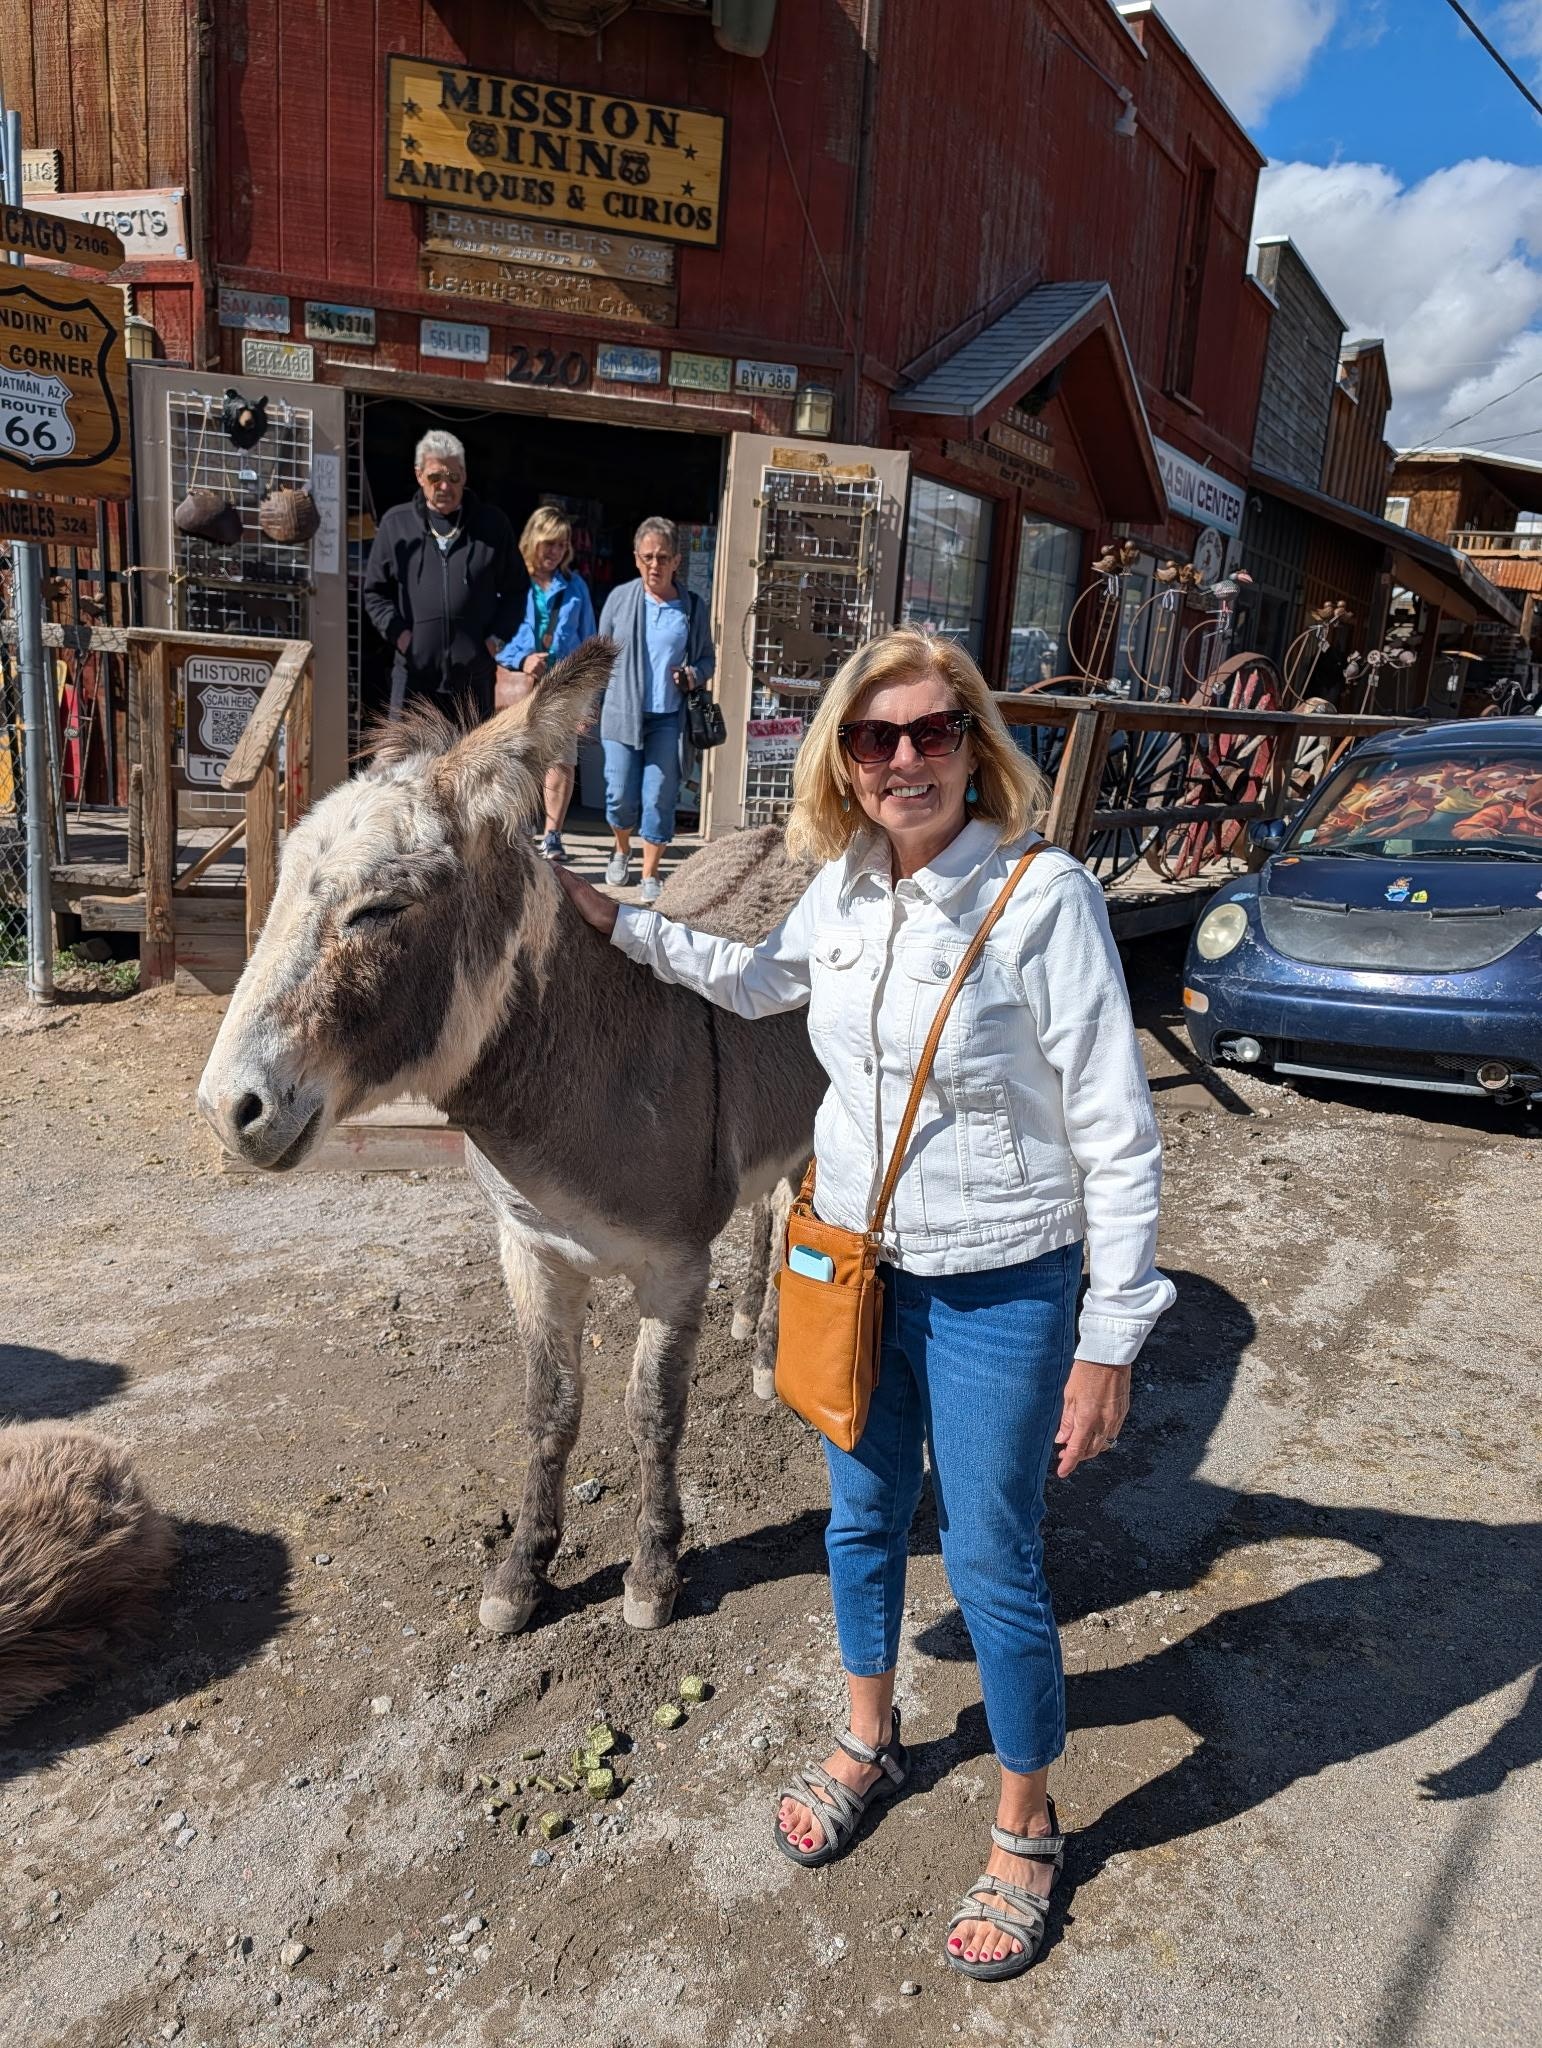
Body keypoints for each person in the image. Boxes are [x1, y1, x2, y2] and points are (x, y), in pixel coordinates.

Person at [557, 626, 1173, 1982]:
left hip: (1002, 1278)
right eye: (875, 736)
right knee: (857, 1517)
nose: (905, 759)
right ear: (843, 756)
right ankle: (870, 1732)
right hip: (850, 1263)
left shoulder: (1038, 897)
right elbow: (759, 981)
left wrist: (1109, 1333)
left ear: (972, 745)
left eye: (932, 731)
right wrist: (623, 923)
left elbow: (1119, 1133)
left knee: (995, 1557)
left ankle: (1025, 1820)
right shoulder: (838, 893)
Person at [595, 516, 715, 904]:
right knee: (619, 796)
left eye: (663, 557)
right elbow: (599, 656)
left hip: (669, 719)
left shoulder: (692, 607)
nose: (655, 565)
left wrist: (693, 674)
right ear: (635, 558)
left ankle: (650, 873)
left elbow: (707, 660)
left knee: (659, 795)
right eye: (647, 556)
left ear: (677, 560)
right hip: (621, 713)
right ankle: (622, 847)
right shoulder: (619, 599)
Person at [363, 430, 521, 722]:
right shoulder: (396, 525)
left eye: (454, 477)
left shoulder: (493, 526)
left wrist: (495, 641)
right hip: (414, 682)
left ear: (465, 474)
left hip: (473, 683)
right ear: (419, 475)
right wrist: (401, 636)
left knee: (471, 767)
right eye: (436, 477)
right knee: (410, 767)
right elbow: (375, 592)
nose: (445, 486)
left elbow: (516, 590)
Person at [494, 506, 598, 860]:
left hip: (562, 686)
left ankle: (552, 835)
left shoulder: (575, 586)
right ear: (533, 540)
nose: (555, 551)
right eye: (548, 543)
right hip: (520, 685)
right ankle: (518, 831)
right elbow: (491, 636)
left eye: (562, 544)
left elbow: (587, 641)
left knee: (561, 760)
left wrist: (587, 698)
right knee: (516, 760)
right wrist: (520, 659)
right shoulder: (510, 580)